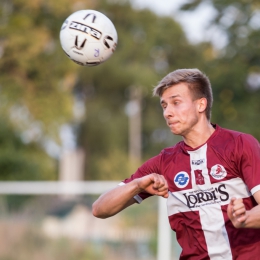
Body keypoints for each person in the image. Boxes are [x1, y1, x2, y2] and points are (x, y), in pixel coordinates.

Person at [92, 68, 260, 259]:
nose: (168, 113)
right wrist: (137, 185)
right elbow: (99, 209)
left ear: (201, 105)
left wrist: (244, 219)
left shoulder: (239, 145)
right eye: (164, 106)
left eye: (176, 103)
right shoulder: (164, 163)